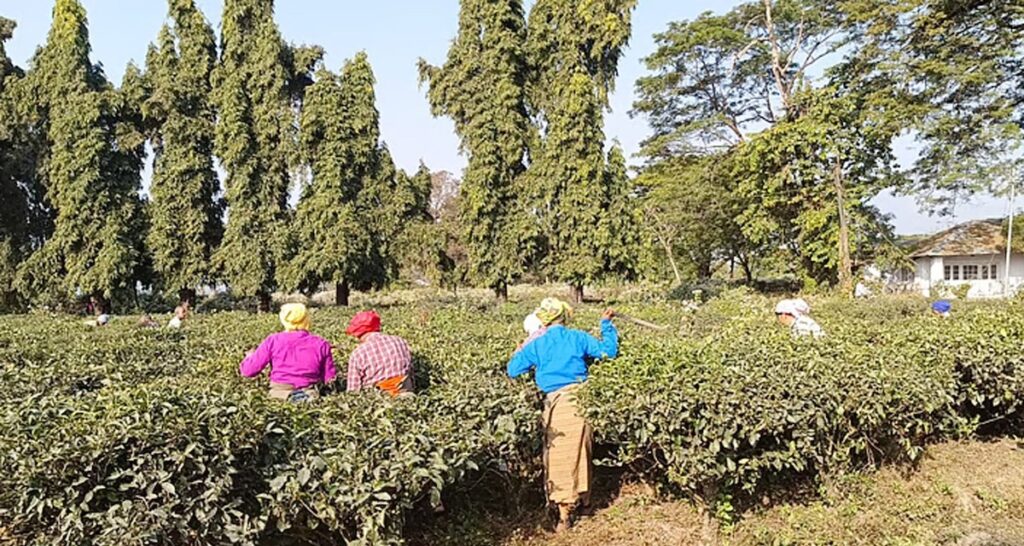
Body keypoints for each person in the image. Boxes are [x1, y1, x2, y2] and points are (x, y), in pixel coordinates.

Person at [506, 298, 619, 532]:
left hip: (555, 404)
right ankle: (584, 503)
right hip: (580, 401)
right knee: (581, 452)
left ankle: (564, 514)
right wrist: (606, 325)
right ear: (564, 317)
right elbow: (608, 352)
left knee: (559, 457)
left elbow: (513, 370)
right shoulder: (577, 337)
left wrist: (520, 350)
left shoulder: (537, 344)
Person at [239, 303, 336, 403]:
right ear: (306, 319)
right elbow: (329, 379)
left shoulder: (273, 340)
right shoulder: (321, 343)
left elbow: (248, 371)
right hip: (309, 397)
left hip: (279, 396)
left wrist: (249, 357)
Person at [344, 310, 414, 397]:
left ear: (358, 333)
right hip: (406, 395)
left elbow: (353, 392)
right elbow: (411, 371)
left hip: (378, 401)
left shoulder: (358, 354)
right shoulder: (400, 341)